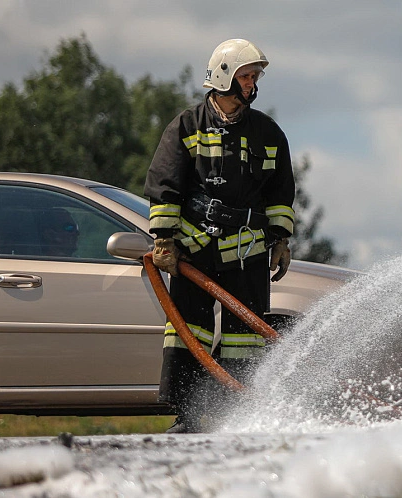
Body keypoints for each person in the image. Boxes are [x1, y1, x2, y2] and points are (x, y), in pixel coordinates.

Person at [144, 38, 296, 432]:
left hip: (246, 251)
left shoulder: (268, 132)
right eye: (246, 76)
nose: (251, 83)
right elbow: (165, 184)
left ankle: (233, 417)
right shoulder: (186, 126)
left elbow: (280, 193)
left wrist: (280, 239)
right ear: (224, 76)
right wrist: (163, 240)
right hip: (195, 250)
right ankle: (187, 417)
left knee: (243, 337)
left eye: (255, 77)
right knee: (187, 332)